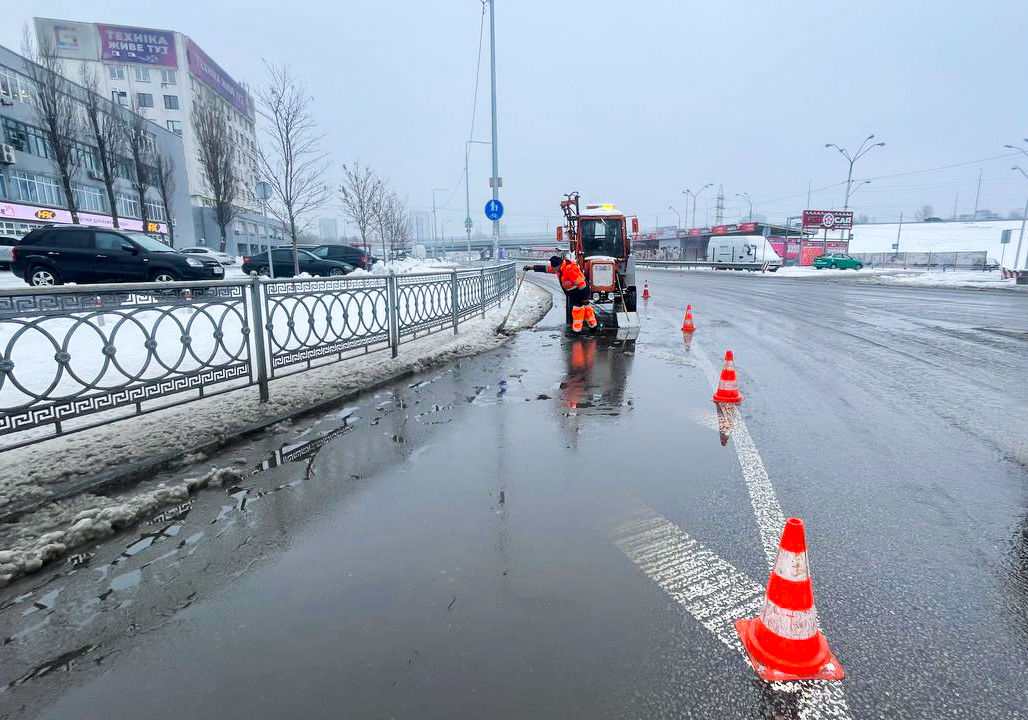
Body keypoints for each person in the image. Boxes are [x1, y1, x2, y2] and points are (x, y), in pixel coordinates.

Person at [524, 255, 598, 332]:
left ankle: (577, 330)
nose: (553, 269)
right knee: (586, 309)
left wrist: (584, 297)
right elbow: (547, 269)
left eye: (554, 267)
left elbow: (582, 284)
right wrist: (532, 268)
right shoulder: (560, 269)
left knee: (577, 311)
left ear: (559, 265)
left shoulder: (570, 270)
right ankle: (593, 326)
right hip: (575, 293)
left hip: (580, 292)